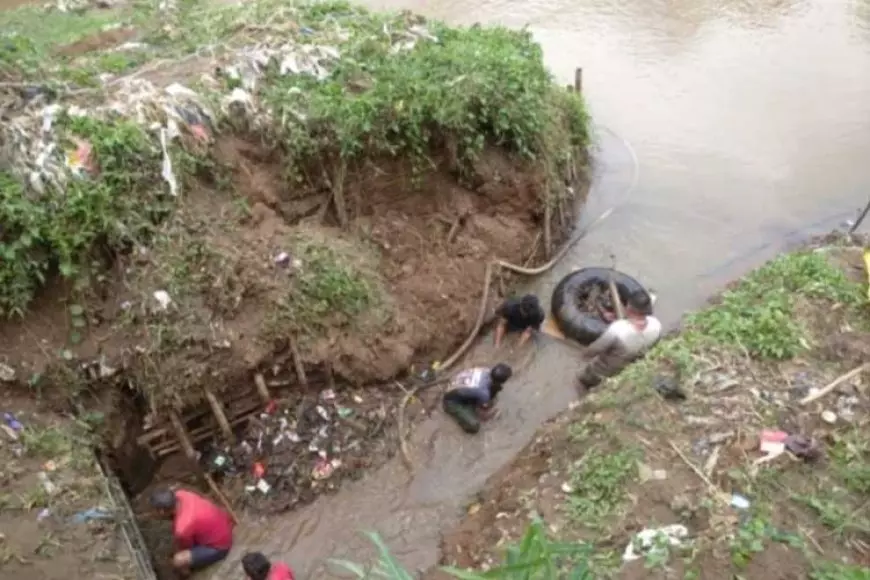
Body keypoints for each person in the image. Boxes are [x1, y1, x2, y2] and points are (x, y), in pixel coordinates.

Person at [577, 290, 662, 390]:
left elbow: (593, 350)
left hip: (601, 372)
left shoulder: (617, 330)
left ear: (629, 307)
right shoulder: (656, 326)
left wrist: (582, 355)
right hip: (624, 372)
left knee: (579, 380)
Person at [150, 487, 234, 577]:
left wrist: (177, 551)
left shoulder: (183, 527)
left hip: (220, 546)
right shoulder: (182, 494)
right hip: (223, 525)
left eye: (156, 510)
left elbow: (186, 547)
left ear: (162, 511)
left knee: (178, 560)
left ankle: (186, 574)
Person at [442, 363, 512, 434]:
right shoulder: (484, 393)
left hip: (455, 386)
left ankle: (469, 400)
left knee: (494, 390)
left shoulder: (485, 370)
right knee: (474, 426)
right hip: (450, 401)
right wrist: (492, 414)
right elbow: (482, 413)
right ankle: (457, 412)